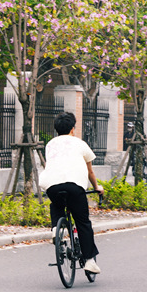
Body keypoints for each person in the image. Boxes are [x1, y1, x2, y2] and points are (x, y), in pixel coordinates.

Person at [39, 111, 102, 274]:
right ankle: (89, 260)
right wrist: (97, 187)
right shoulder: (79, 143)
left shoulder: (50, 144)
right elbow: (90, 172)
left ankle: (55, 229)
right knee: (83, 222)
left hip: (52, 185)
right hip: (75, 186)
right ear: (73, 129)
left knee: (56, 203)